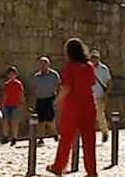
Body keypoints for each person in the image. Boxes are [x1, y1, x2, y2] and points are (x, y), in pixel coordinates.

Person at [47, 38, 98, 177]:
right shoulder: (89, 66)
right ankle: (91, 170)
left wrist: (57, 100)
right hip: (89, 105)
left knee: (67, 138)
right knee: (89, 139)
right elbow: (91, 84)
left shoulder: (71, 67)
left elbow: (67, 87)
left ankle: (59, 166)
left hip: (73, 106)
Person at [30, 56, 61, 144]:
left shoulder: (54, 75)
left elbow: (59, 86)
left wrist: (59, 99)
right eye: (41, 64)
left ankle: (55, 133)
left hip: (50, 98)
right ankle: (41, 137)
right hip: (40, 99)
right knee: (41, 120)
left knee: (50, 119)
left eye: (44, 64)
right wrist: (32, 102)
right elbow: (34, 89)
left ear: (48, 64)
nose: (42, 66)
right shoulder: (37, 76)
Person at [90, 49, 112, 142]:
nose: (94, 59)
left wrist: (106, 94)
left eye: (96, 57)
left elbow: (108, 82)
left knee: (98, 115)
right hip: (89, 95)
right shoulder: (87, 68)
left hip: (100, 95)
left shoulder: (104, 69)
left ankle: (104, 131)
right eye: (92, 57)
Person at [0, 66, 24, 146]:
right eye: (10, 74)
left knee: (14, 122)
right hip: (7, 104)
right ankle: (5, 136)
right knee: (5, 121)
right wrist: (2, 104)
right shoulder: (6, 84)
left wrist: (21, 103)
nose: (11, 76)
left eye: (13, 74)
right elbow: (5, 95)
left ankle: (14, 137)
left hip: (15, 105)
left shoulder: (18, 84)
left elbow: (21, 94)